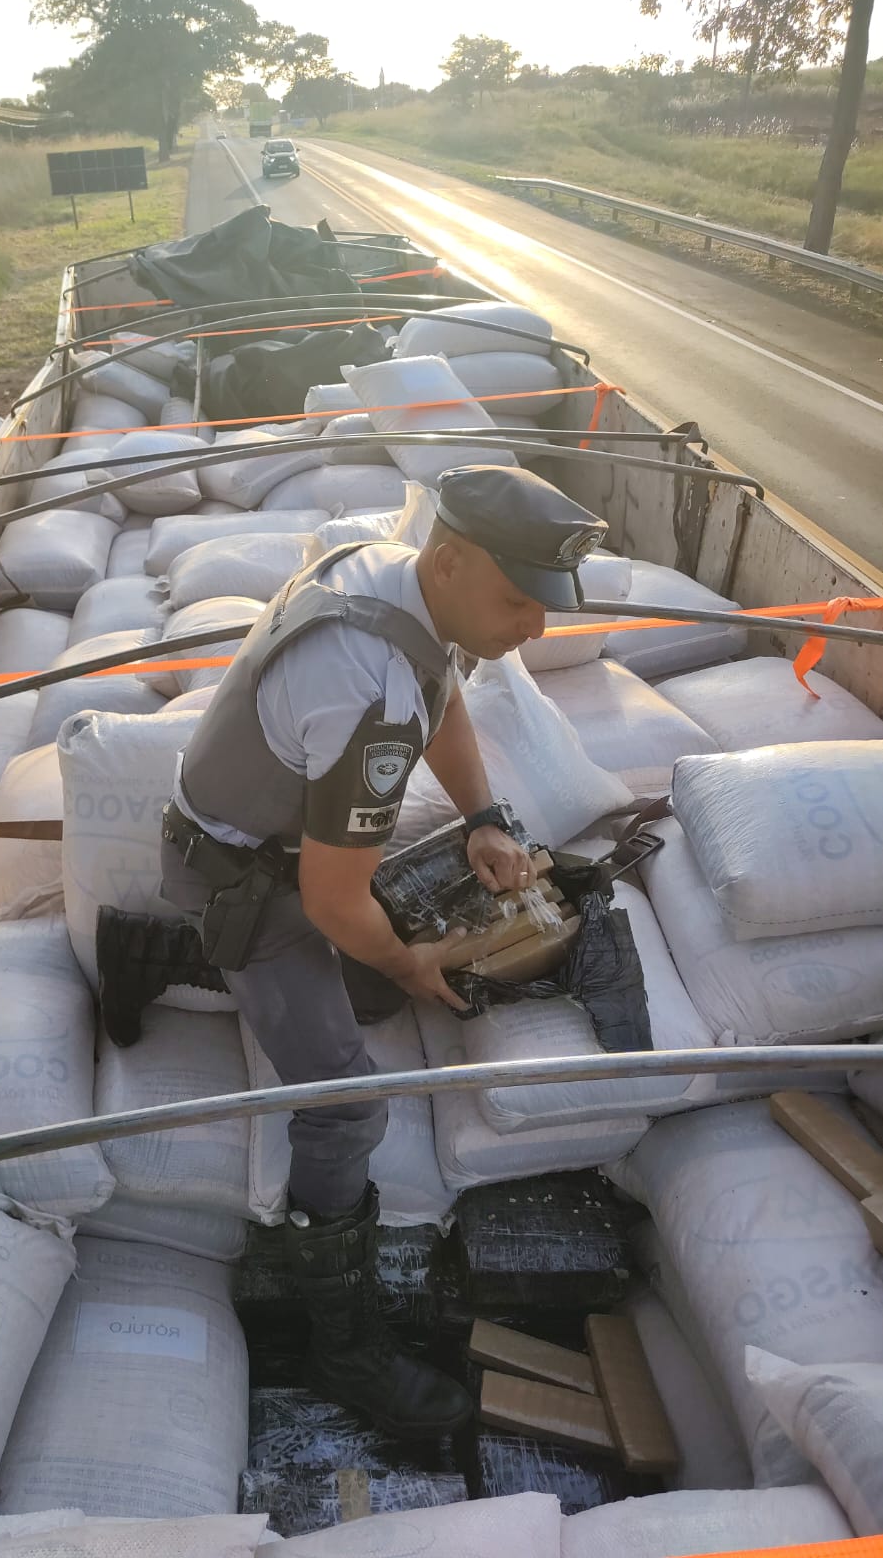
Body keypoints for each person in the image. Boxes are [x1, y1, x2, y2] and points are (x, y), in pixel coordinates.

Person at [158, 463, 608, 1440]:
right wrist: (409, 963)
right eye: (520, 601)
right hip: (246, 880)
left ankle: (159, 949)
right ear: (448, 560)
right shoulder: (365, 695)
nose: (536, 626)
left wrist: (483, 816)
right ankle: (344, 1345)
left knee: (364, 988)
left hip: (271, 843)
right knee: (347, 1098)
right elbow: (330, 895)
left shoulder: (390, 575)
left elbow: (442, 687)